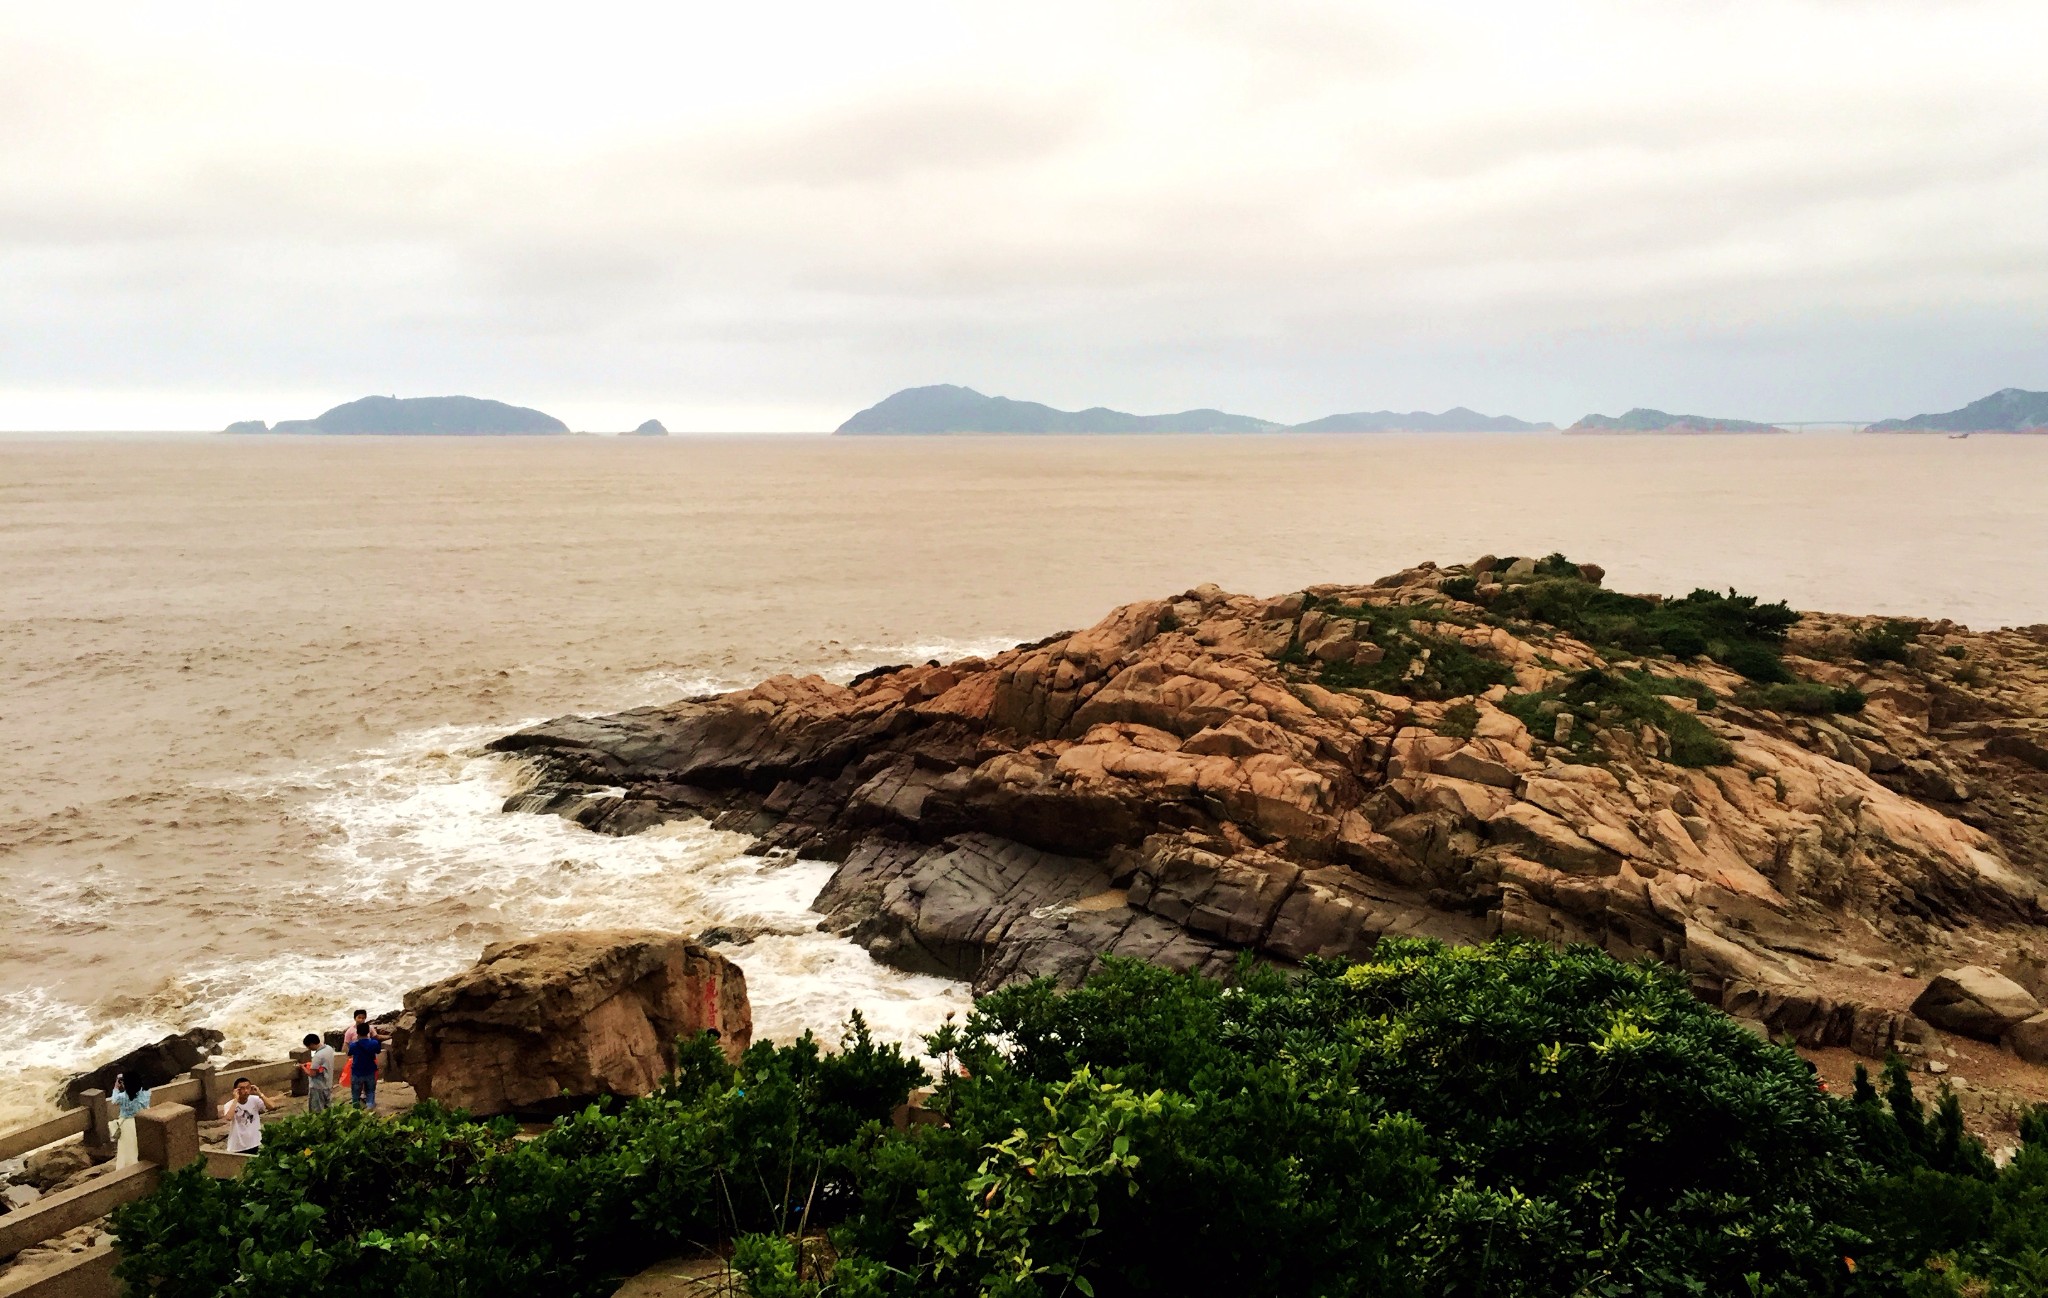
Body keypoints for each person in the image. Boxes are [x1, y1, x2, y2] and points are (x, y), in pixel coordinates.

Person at [111, 1072, 152, 1169]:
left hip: (126, 1124)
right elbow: (147, 1090)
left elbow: (113, 1100)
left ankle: (127, 1167)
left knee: (127, 1148)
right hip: (141, 1121)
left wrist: (116, 1087)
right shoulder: (145, 1094)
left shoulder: (122, 1097)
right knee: (139, 1144)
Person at [220, 1077, 269, 1154]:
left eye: (248, 1088)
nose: (246, 1091)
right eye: (242, 1088)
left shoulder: (255, 1100)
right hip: (238, 1145)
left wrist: (260, 1093)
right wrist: (236, 1099)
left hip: (255, 1142)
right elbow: (229, 1117)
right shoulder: (229, 1104)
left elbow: (272, 1106)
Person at [347, 1026, 384, 1110]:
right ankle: (370, 1109)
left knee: (355, 1094)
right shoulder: (374, 1043)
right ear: (368, 1032)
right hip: (370, 1070)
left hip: (357, 1071)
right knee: (370, 1091)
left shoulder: (353, 1045)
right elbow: (378, 1051)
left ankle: (355, 1111)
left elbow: (350, 1053)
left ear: (357, 1033)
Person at [301, 1033, 336, 1113]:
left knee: (317, 1111)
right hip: (328, 1084)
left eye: (308, 1046)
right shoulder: (329, 1049)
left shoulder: (318, 1056)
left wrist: (303, 1068)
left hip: (317, 1087)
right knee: (328, 1110)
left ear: (312, 1044)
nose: (308, 1048)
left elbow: (312, 1073)